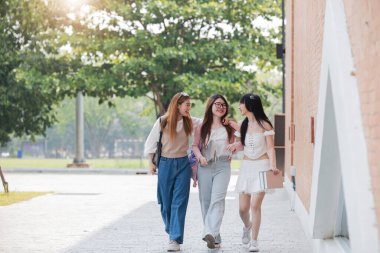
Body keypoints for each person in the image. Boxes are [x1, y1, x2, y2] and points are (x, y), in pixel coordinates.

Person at [144, 92, 202, 252]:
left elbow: (208, 124)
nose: (189, 107)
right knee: (165, 202)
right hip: (165, 164)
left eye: (190, 105)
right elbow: (151, 143)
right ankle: (172, 229)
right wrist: (151, 163)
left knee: (180, 202)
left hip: (183, 164)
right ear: (177, 105)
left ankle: (174, 238)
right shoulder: (163, 121)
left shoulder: (190, 121)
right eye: (187, 104)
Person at [227, 93, 280, 252]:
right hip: (246, 167)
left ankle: (254, 241)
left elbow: (270, 147)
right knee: (243, 209)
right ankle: (247, 226)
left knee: (255, 204)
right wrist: (234, 147)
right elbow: (241, 145)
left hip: (263, 166)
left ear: (249, 105)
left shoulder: (265, 124)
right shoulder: (243, 124)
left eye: (241, 104)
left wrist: (273, 165)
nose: (239, 107)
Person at [192, 94, 235, 249]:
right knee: (205, 202)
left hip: (223, 165)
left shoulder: (229, 126)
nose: (220, 107)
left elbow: (243, 138)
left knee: (218, 199)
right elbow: (195, 146)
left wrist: (234, 147)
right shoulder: (201, 126)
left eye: (223, 105)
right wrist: (200, 157)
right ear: (210, 106)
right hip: (205, 166)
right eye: (217, 104)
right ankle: (214, 236)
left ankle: (209, 231)